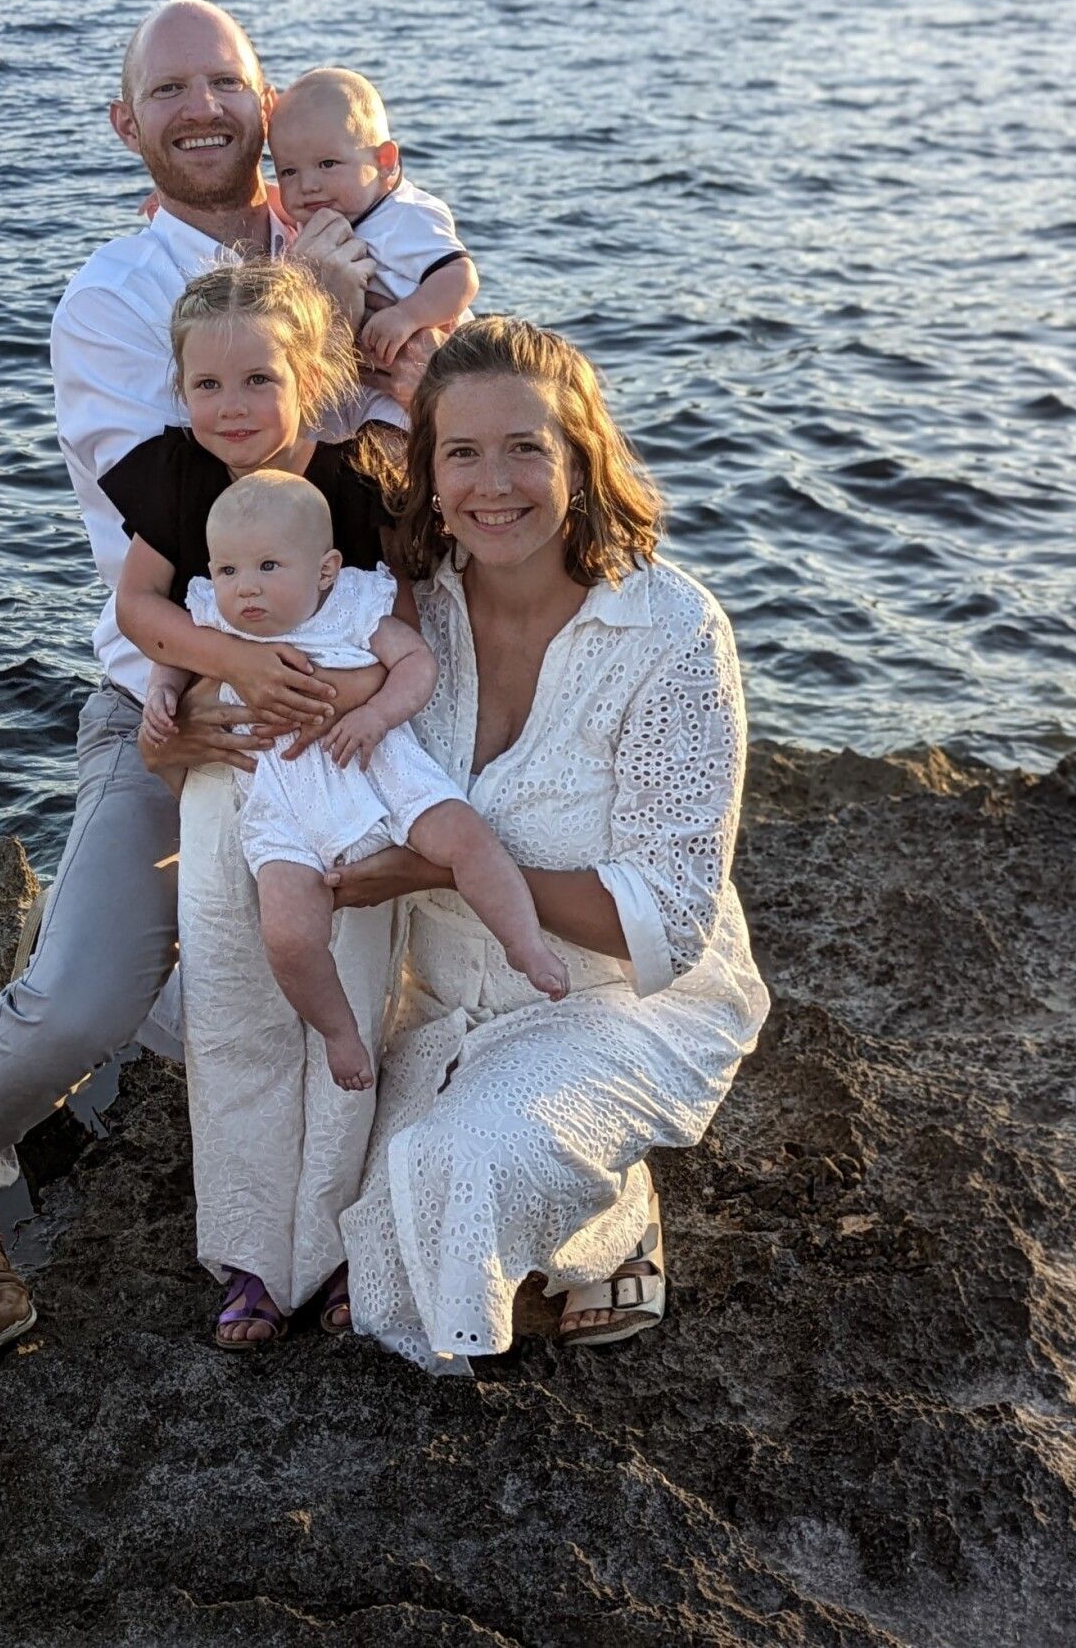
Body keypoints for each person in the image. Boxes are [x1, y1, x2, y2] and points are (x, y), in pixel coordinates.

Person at [0, 0, 426, 1361]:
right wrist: (228, 682)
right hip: (181, 694)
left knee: (413, 972)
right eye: (168, 88)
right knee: (83, 993)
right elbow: (188, 536)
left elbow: (428, 449)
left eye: (224, 82)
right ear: (124, 121)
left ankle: (368, 1197)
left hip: (358, 684)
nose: (201, 107)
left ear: (267, 103)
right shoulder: (114, 300)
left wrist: (384, 324)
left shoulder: (352, 231)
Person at [313, 316, 772, 1373]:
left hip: (617, 1001)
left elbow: (671, 920)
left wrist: (448, 867)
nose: (495, 484)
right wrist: (179, 726)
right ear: (428, 474)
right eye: (462, 453)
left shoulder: (669, 632)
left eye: (526, 448)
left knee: (456, 1170)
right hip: (439, 1004)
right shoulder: (404, 617)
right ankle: (555, 1179)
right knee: (344, 1216)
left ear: (580, 457)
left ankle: (615, 1224)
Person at [164, 472, 570, 1084]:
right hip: (286, 799)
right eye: (227, 570)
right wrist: (161, 695)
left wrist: (377, 715)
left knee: (466, 839)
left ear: (326, 569)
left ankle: (524, 943)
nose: (245, 586)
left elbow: (417, 662)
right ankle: (338, 1030)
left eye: (268, 566)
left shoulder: (354, 606)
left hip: (380, 770)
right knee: (288, 934)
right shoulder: (217, 622)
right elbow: (169, 654)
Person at [269, 67, 478, 370]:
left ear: (384, 161)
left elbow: (461, 276)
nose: (307, 185)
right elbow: (268, 203)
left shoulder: (405, 216)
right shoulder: (324, 212)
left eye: (328, 164)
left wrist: (408, 315)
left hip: (430, 364)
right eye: (288, 171)